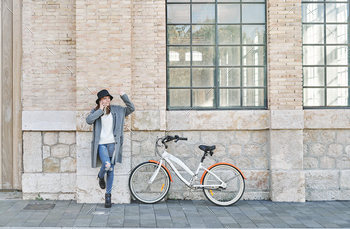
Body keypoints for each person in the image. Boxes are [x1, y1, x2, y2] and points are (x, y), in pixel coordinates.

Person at [86, 88, 135, 208]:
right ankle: (101, 175)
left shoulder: (117, 110)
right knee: (107, 165)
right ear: (99, 101)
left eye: (108, 98)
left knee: (111, 169)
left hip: (113, 144)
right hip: (101, 144)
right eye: (104, 99)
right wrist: (100, 110)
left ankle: (108, 196)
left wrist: (124, 96)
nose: (107, 100)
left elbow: (131, 108)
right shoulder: (95, 111)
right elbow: (88, 120)